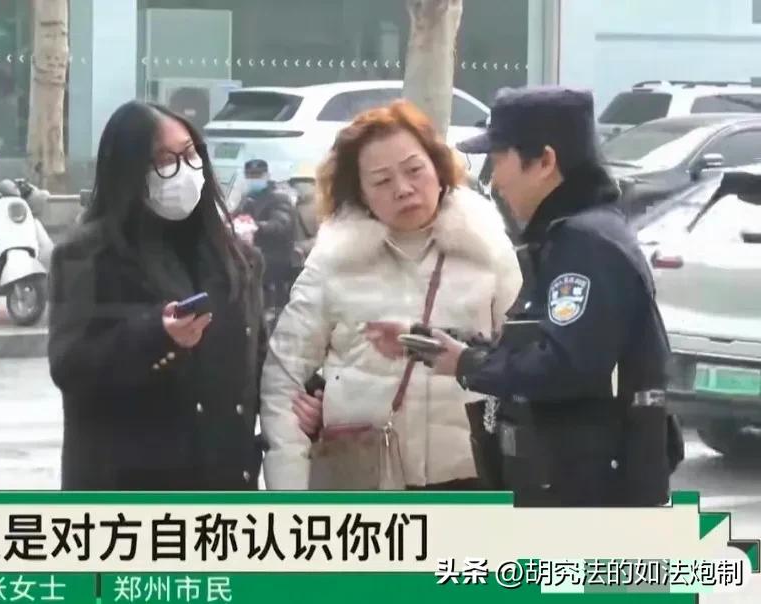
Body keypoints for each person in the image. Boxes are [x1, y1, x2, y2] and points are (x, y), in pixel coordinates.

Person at [430, 86, 682, 506]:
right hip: (571, 485)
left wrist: (469, 364)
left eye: (499, 159)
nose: (495, 180)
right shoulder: (570, 236)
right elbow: (557, 342)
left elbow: (568, 366)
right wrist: (472, 348)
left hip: (588, 496)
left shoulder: (586, 243)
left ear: (545, 162)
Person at [259, 100, 522, 490]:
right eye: (381, 181)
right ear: (360, 193)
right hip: (366, 483)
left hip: (471, 476)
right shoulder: (334, 262)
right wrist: (291, 492)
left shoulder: (487, 249)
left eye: (415, 170)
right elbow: (284, 378)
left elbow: (522, 360)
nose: (403, 189)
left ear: (438, 168)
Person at [48, 100, 266, 490]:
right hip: (131, 491)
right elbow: (71, 366)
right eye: (165, 160)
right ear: (129, 172)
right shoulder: (88, 255)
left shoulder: (235, 257)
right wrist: (157, 336)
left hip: (225, 484)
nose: (184, 170)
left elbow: (258, 360)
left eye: (190, 154)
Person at [233, 159, 300, 315]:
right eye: (250, 175)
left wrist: (256, 226)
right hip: (251, 252)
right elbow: (237, 215)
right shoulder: (248, 197)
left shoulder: (279, 197)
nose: (254, 179)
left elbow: (281, 224)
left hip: (275, 255)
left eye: (258, 175)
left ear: (267, 175)